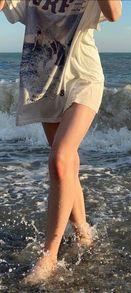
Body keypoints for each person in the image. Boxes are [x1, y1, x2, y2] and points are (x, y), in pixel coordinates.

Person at [0, 0, 122, 285]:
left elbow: (114, 13)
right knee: (67, 165)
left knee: (60, 159)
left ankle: (49, 255)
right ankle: (82, 232)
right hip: (46, 82)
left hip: (84, 78)